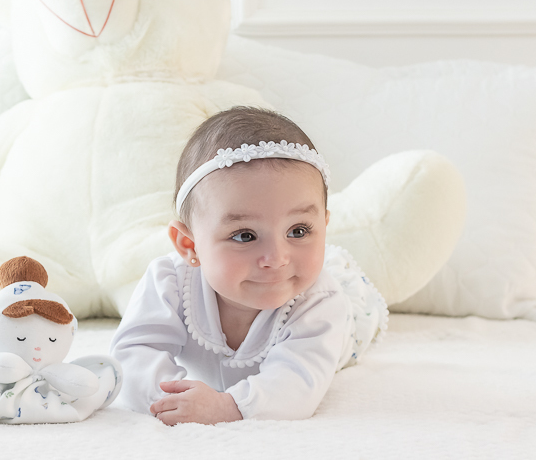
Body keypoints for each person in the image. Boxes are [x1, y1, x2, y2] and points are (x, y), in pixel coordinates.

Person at [110, 106, 387, 424]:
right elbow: (133, 353)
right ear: (190, 245)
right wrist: (170, 398)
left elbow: (298, 384)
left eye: (298, 231)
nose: (277, 258)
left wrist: (229, 406)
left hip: (351, 319)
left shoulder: (320, 301)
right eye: (245, 235)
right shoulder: (169, 280)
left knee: (354, 298)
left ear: (323, 226)